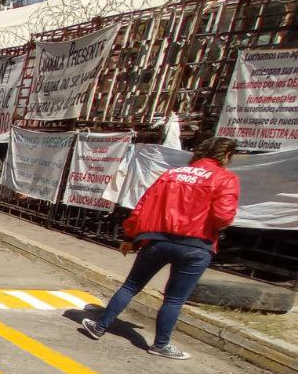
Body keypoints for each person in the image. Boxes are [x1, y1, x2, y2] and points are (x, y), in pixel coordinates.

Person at [81, 136, 240, 359]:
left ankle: (99, 327)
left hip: (158, 241)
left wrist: (131, 236)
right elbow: (223, 217)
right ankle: (160, 345)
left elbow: (143, 206)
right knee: (174, 299)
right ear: (226, 156)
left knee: (131, 286)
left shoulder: (171, 175)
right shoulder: (226, 179)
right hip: (196, 246)